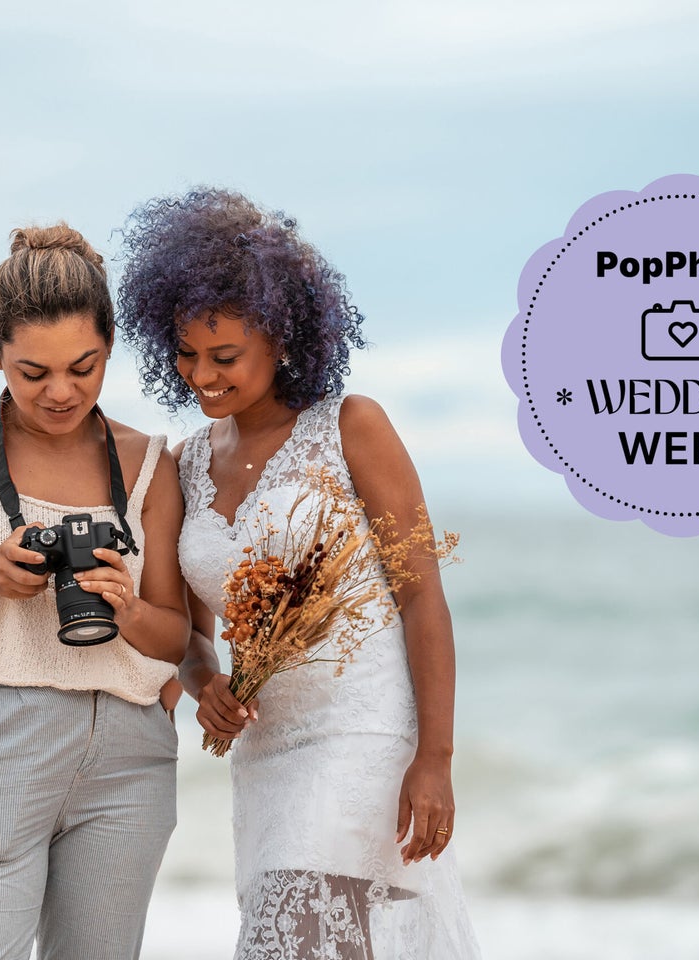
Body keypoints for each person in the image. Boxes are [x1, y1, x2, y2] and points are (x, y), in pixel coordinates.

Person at [117, 189, 482, 958]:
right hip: (265, 758)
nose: (201, 375)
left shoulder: (352, 428)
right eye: (185, 353)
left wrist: (436, 760)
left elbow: (422, 598)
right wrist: (205, 682)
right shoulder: (184, 464)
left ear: (281, 339)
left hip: (364, 738)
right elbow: (193, 631)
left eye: (224, 357)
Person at [0, 223, 188, 959]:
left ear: (111, 345)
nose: (60, 392)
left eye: (84, 368)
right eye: (31, 372)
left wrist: (128, 605)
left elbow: (177, 637)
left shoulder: (151, 465)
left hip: (129, 751)